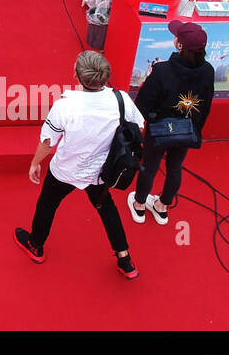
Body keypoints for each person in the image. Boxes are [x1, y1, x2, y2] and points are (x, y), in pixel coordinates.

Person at [14, 51, 144, 280]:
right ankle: (125, 260)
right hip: (101, 172)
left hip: (65, 170)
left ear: (77, 75)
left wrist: (35, 162)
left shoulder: (65, 106)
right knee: (107, 210)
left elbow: (47, 142)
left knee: (47, 204)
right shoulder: (121, 99)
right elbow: (138, 127)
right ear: (105, 76)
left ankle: (36, 246)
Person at [129, 20, 215, 226]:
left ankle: (139, 204)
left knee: (149, 167)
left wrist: (148, 120)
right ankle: (162, 206)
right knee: (175, 167)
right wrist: (194, 128)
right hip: (187, 129)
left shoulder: (162, 71)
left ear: (179, 45)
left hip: (159, 129)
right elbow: (205, 105)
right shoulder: (208, 70)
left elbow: (142, 103)